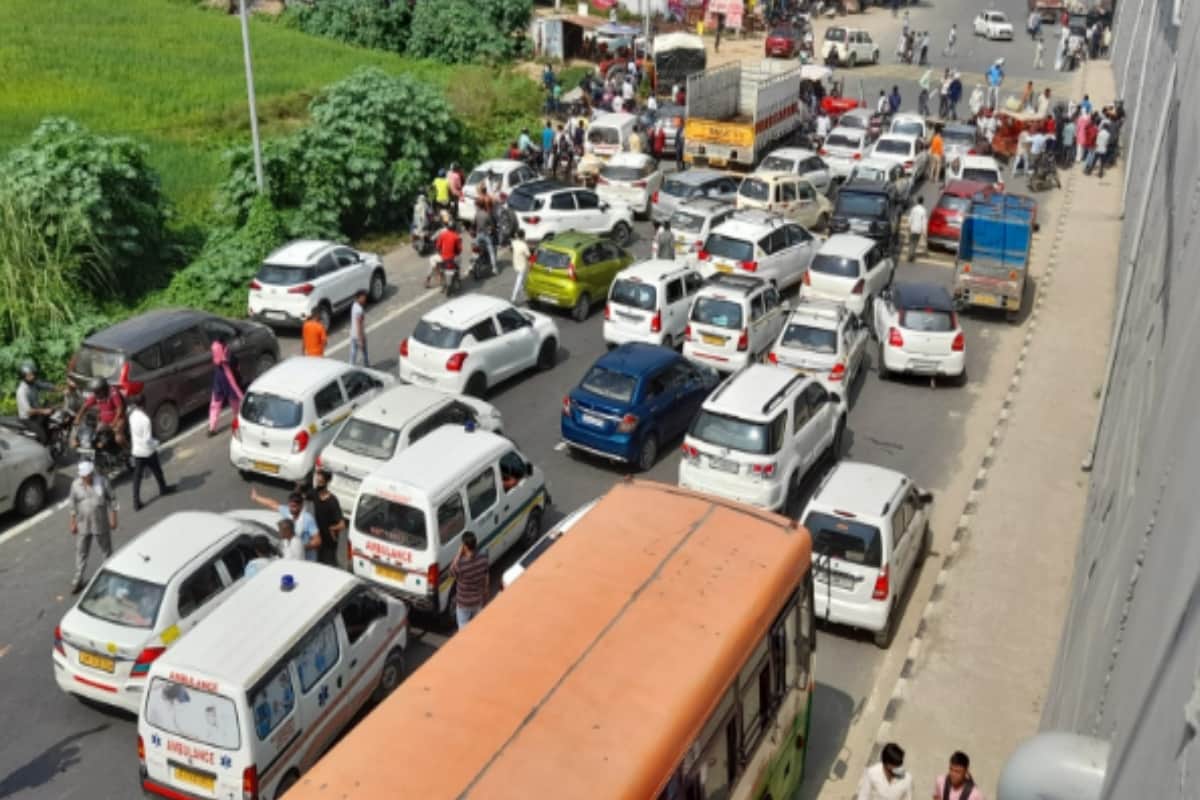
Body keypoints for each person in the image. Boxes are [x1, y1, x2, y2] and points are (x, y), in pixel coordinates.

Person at [69, 460, 118, 593]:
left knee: (106, 551)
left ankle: (109, 578)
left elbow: (112, 499)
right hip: (83, 523)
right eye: (83, 476)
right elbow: (72, 504)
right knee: (81, 552)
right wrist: (73, 522)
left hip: (100, 522)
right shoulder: (75, 485)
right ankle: (78, 579)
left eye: (87, 475)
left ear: (92, 473)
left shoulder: (102, 481)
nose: (85, 478)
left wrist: (113, 517)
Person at [128, 393, 175, 512]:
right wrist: (157, 444)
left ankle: (136, 502)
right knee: (157, 471)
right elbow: (147, 440)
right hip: (147, 452)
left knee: (137, 478)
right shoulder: (145, 420)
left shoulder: (132, 416)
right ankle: (163, 489)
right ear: (144, 403)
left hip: (136, 451)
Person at [250, 488, 320, 562]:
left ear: (301, 506)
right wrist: (256, 498)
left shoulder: (307, 519)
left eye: (294, 506)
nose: (292, 509)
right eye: (290, 506)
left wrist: (301, 547)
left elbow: (317, 541)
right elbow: (272, 504)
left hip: (307, 559)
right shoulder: (287, 511)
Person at [75, 375, 127, 450]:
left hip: (118, 419)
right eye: (95, 391)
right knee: (92, 435)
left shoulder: (113, 392)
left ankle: (128, 451)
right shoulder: (97, 395)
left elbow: (120, 408)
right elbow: (85, 406)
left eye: (98, 391)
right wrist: (78, 417)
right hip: (104, 421)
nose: (96, 393)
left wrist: (114, 422)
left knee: (118, 437)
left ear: (104, 388)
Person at [450, 531, 489, 629]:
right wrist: (485, 592)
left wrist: (458, 554)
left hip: (464, 603)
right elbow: (486, 575)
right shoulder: (483, 557)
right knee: (478, 627)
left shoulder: (460, 564)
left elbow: (451, 573)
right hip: (477, 600)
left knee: (463, 629)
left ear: (465, 546)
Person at [311, 469, 345, 567]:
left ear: (326, 482)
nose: (318, 484)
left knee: (329, 564)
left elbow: (342, 525)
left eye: (321, 482)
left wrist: (331, 529)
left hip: (329, 541)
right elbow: (301, 496)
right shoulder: (315, 494)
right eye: (317, 481)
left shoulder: (332, 501)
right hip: (318, 537)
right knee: (317, 563)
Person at [16, 362, 53, 444]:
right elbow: (29, 411)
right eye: (30, 375)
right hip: (27, 418)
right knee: (44, 438)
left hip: (37, 414)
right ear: (23, 376)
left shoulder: (33, 383)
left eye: (33, 374)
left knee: (53, 423)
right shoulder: (21, 391)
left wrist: (62, 389)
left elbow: (46, 386)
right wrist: (44, 411)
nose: (33, 376)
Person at [429, 219, 463, 288]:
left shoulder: (442, 235)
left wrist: (440, 252)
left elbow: (438, 247)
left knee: (432, 259)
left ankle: (439, 276)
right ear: (454, 228)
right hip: (453, 258)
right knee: (459, 261)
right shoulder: (456, 236)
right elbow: (459, 250)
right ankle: (457, 277)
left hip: (443, 258)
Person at [348, 290, 368, 367]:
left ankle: (350, 367)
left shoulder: (354, 305)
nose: (365, 299)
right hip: (358, 335)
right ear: (359, 298)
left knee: (353, 353)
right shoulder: (359, 310)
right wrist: (360, 339)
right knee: (364, 353)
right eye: (363, 297)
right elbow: (359, 324)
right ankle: (367, 368)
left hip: (353, 334)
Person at [510, 229, 530, 305]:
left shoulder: (514, 243)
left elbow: (511, 247)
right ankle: (513, 297)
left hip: (515, 264)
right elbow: (528, 255)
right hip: (522, 266)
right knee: (518, 281)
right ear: (523, 236)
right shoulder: (524, 245)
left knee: (520, 281)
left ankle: (524, 297)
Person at [906, 197, 927, 262]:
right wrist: (924, 231)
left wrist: (908, 226)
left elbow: (910, 218)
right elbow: (924, 222)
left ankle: (910, 255)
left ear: (917, 201)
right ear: (922, 202)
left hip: (912, 228)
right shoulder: (923, 210)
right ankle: (912, 255)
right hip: (918, 229)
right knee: (915, 243)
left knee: (911, 242)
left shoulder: (914, 209)